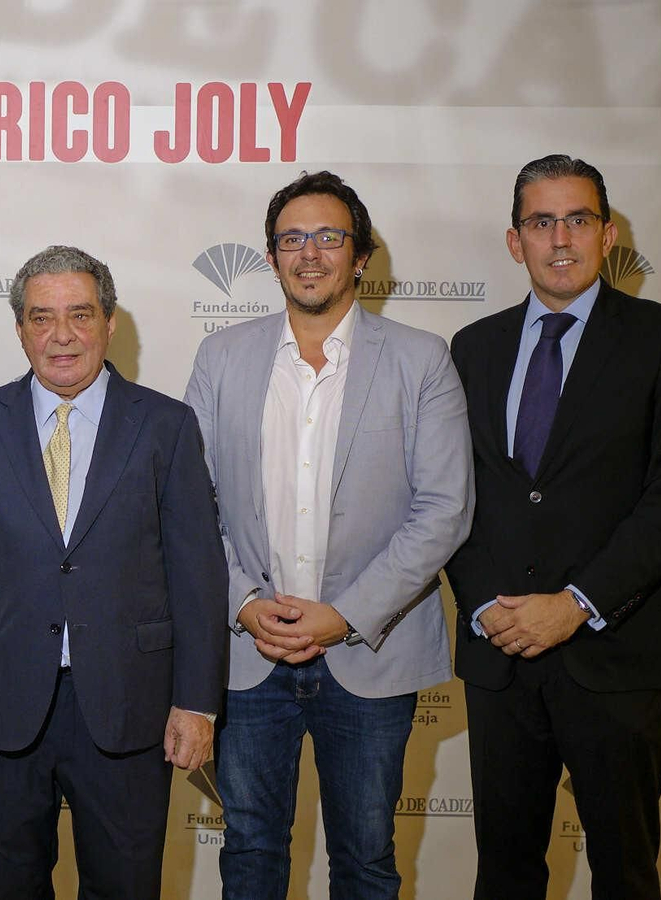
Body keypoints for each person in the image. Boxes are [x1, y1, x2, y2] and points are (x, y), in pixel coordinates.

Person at [184, 171, 473, 899]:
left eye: (329, 236)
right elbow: (189, 506)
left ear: (362, 256)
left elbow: (444, 509)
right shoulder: (220, 359)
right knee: (248, 855)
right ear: (272, 256)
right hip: (248, 654)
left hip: (371, 653)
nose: (309, 253)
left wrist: (343, 614)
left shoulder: (420, 360)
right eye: (291, 238)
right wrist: (244, 604)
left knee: (367, 860)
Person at [446, 153, 661, 898]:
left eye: (578, 219)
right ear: (515, 241)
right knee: (504, 871)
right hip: (501, 654)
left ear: (608, 232)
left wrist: (575, 605)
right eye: (541, 221)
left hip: (618, 651)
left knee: (625, 871)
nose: (560, 237)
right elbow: (452, 498)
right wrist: (485, 608)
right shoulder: (474, 348)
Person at [0, 245, 227, 900]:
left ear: (110, 322)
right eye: (42, 317)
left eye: (80, 315)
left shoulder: (166, 427)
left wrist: (197, 702)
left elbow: (197, 576)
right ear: (21, 328)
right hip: (0, 704)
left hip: (129, 706)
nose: (61, 335)